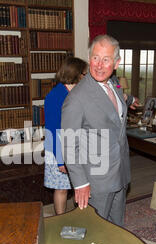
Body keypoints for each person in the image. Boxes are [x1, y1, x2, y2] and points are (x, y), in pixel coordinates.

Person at [61, 34, 131, 227]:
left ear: (116, 63)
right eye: (95, 58)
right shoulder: (76, 98)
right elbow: (68, 143)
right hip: (96, 181)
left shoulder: (114, 85)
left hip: (120, 173)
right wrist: (81, 183)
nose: (99, 65)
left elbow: (118, 118)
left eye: (106, 59)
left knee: (117, 227)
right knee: (95, 232)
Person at [44, 57, 88, 215]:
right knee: (62, 189)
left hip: (77, 148)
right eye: (84, 73)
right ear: (77, 74)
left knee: (81, 185)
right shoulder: (55, 96)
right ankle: (60, 220)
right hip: (59, 149)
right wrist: (61, 160)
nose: (87, 76)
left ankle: (80, 216)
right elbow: (52, 130)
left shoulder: (79, 93)